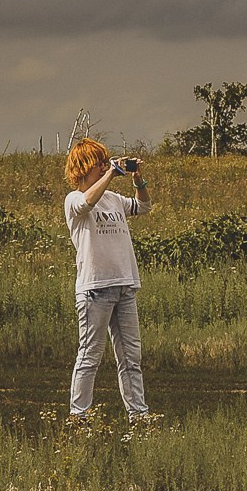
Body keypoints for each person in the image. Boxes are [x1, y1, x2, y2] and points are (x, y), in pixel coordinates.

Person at [63, 137, 153, 421]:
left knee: (131, 357)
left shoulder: (113, 198)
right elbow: (87, 203)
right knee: (90, 355)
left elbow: (143, 207)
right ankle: (79, 417)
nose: (104, 166)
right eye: (99, 163)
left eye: (106, 162)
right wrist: (112, 172)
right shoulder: (74, 199)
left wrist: (138, 181)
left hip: (124, 284)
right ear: (84, 167)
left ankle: (139, 416)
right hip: (95, 290)